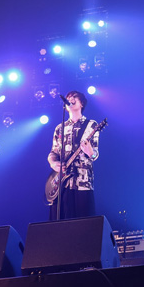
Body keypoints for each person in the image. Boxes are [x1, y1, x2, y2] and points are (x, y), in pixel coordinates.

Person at [48, 91, 100, 221]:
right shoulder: (59, 128)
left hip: (82, 182)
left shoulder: (91, 125)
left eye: (74, 97)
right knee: (60, 224)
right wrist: (54, 163)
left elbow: (95, 154)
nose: (70, 98)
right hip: (62, 185)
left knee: (83, 225)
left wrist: (90, 151)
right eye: (68, 97)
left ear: (81, 103)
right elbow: (53, 153)